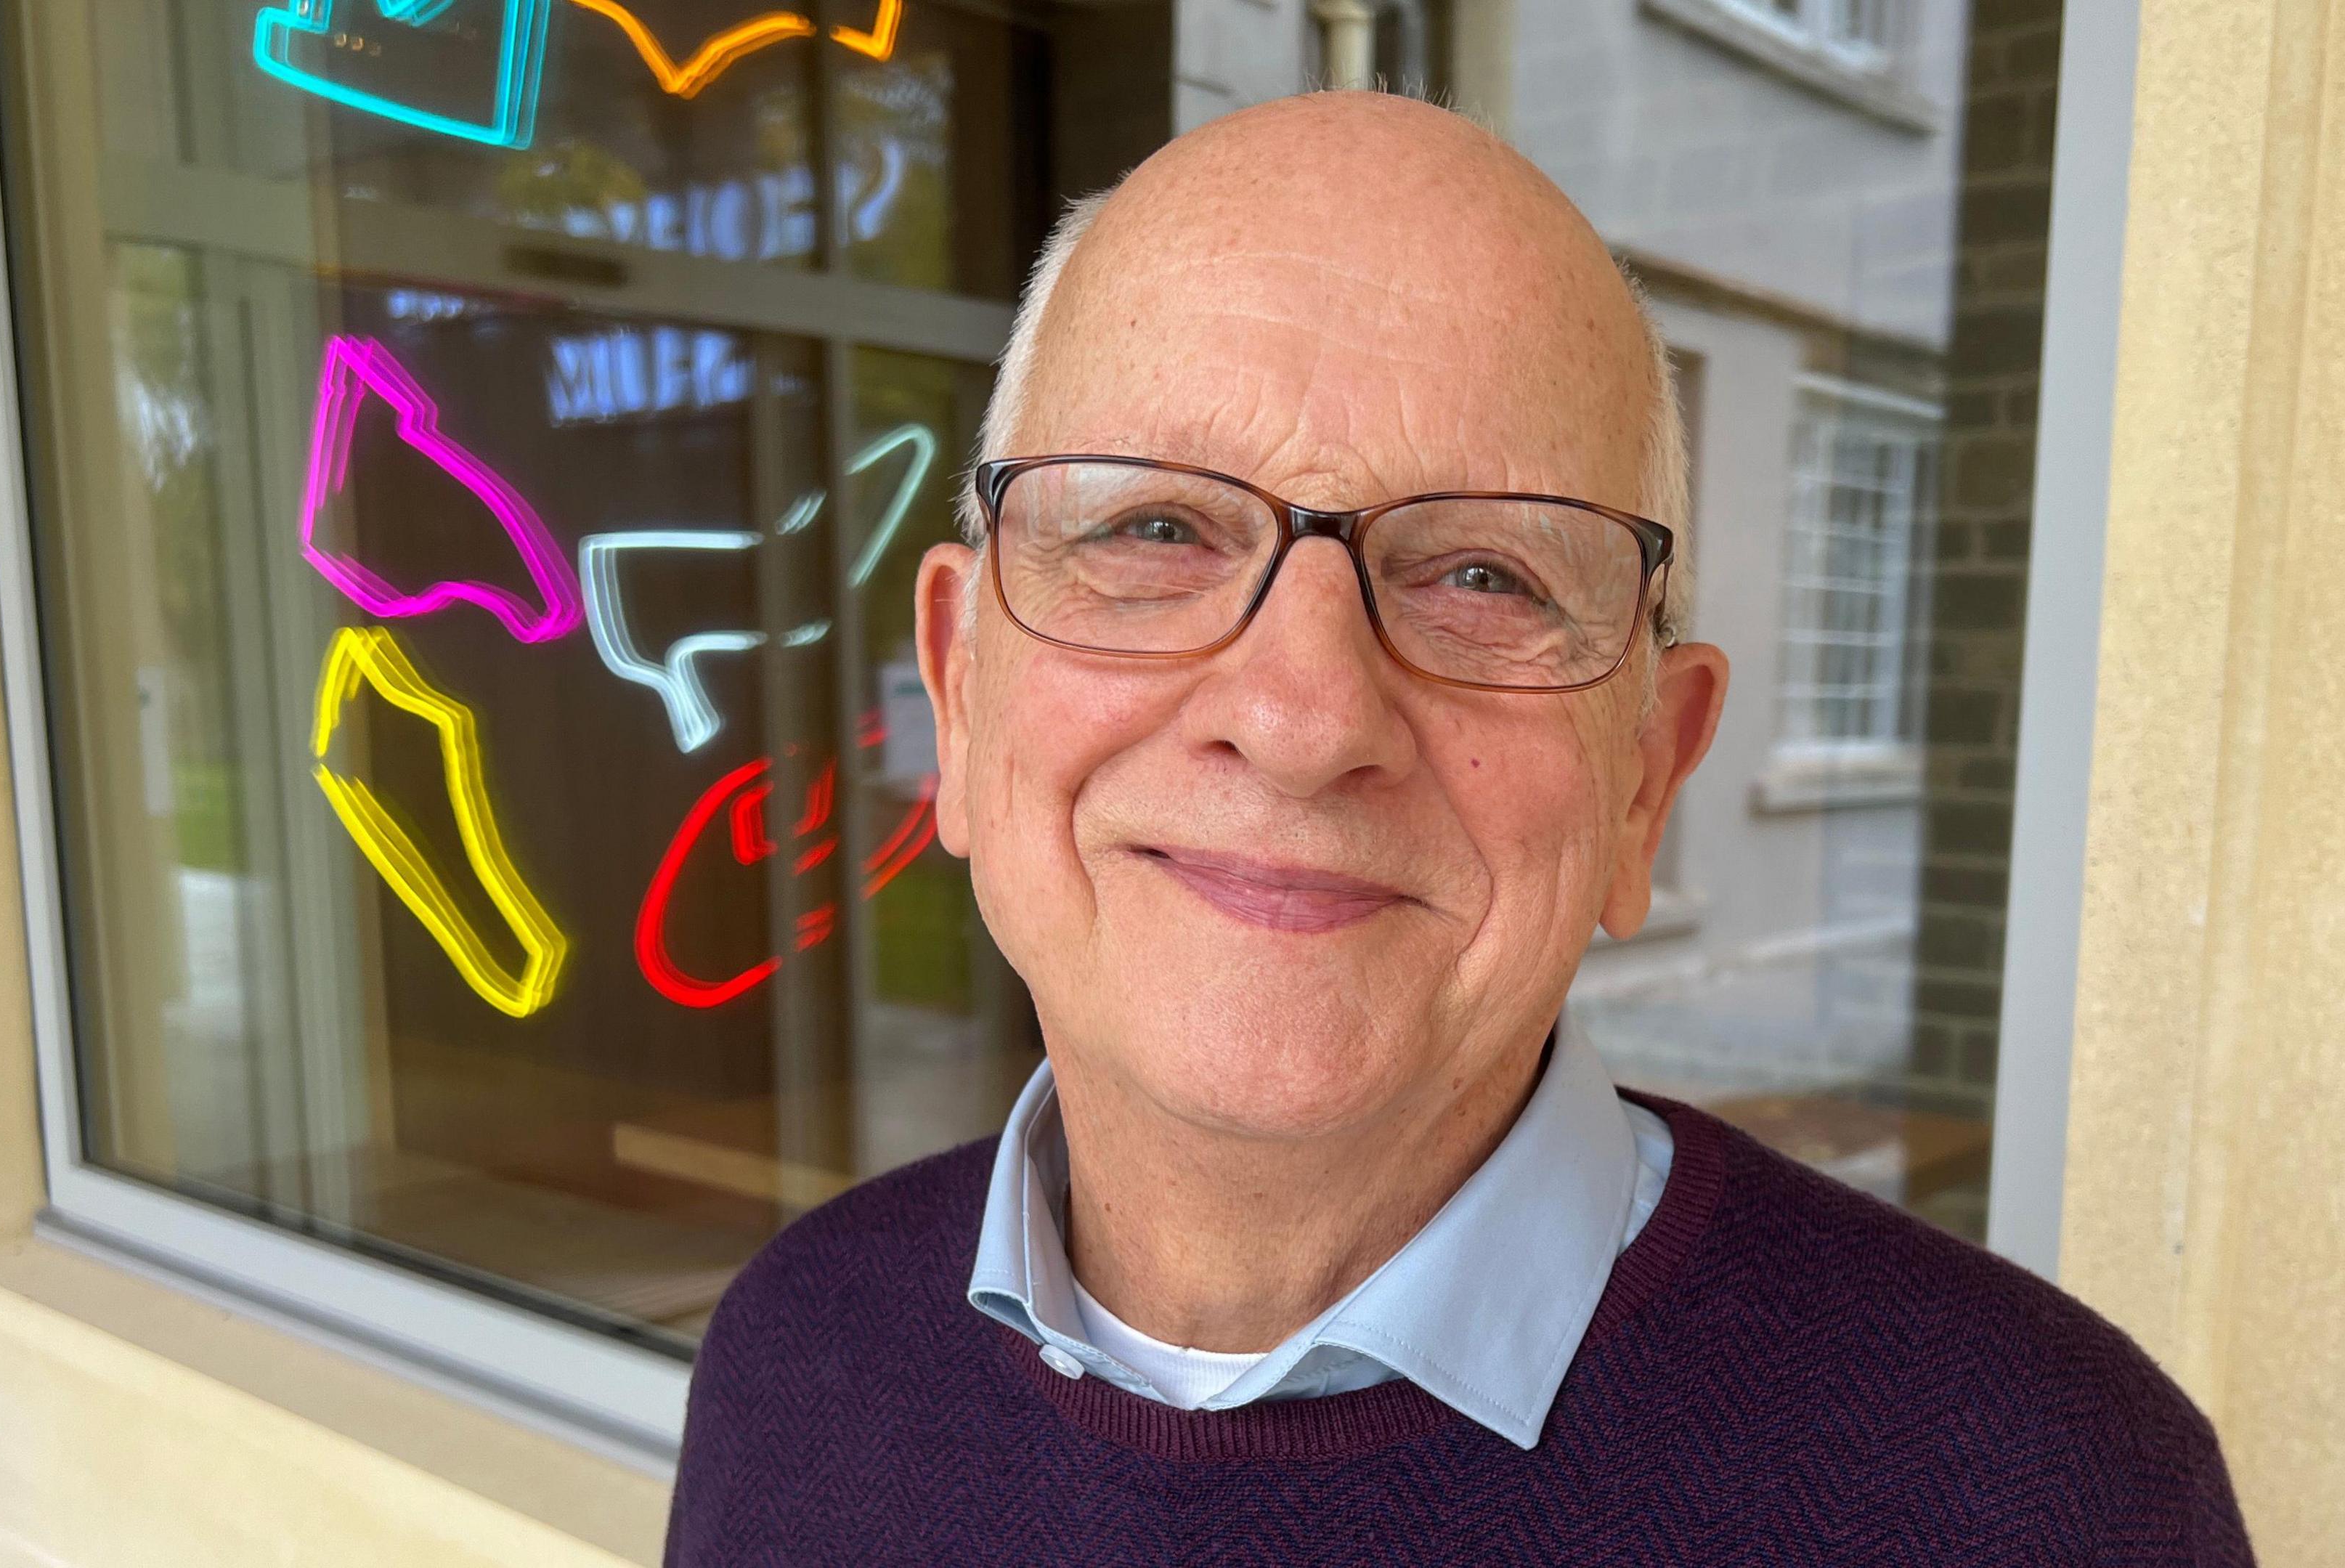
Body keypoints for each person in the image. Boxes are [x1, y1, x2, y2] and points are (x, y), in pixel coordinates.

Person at [666, 91, 2251, 1565]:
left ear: (1647, 776)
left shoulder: (2046, 1499)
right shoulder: (790, 1355)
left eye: (1485, 574)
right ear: (958, 690)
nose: (1300, 720)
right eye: (1154, 527)